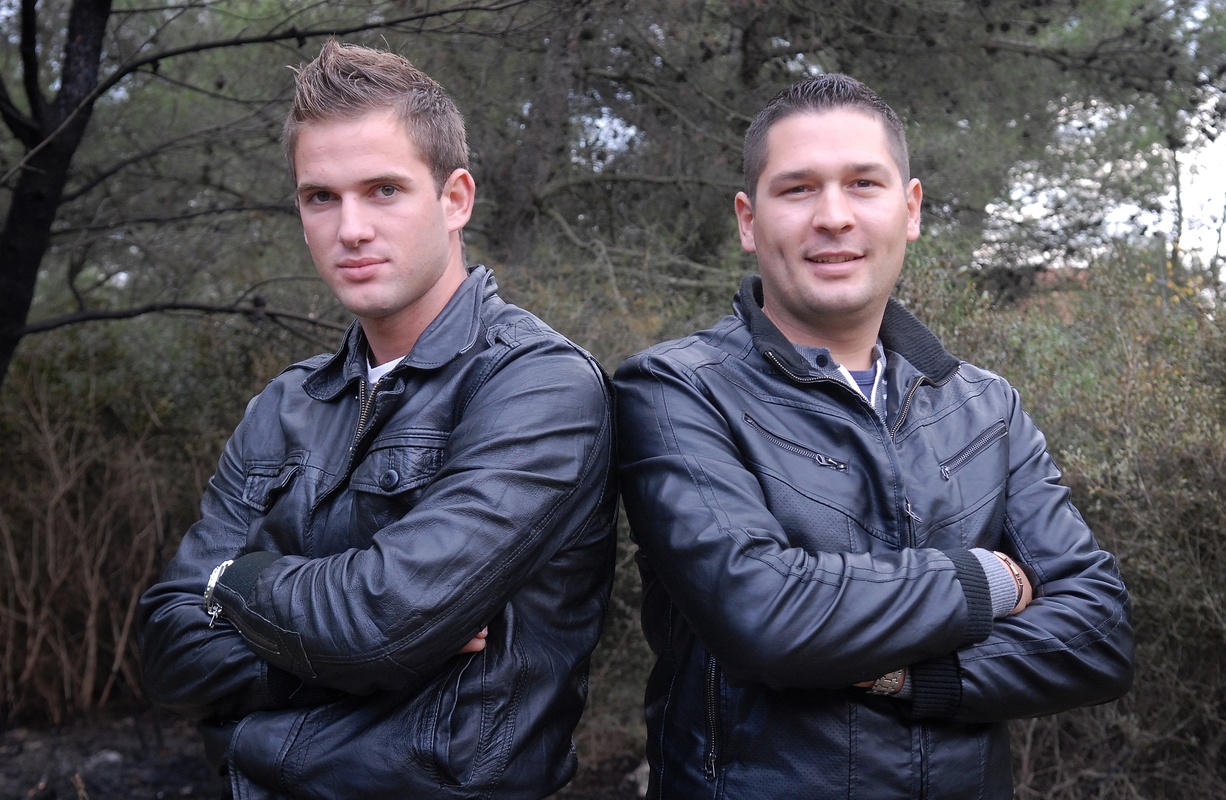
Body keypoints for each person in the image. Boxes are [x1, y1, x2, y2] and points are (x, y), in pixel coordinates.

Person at [614, 74, 1134, 798]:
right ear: (748, 221)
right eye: (798, 189)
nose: (833, 216)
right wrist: (986, 580)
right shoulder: (675, 390)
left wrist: (920, 677)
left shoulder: (985, 407)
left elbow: (1099, 633)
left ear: (910, 209)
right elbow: (762, 613)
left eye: (863, 184)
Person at [138, 40, 617, 799]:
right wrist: (347, 647)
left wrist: (233, 583)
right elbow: (168, 648)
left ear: (455, 199)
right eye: (320, 197)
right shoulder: (286, 403)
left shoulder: (538, 384)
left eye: (384, 190)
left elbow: (383, 623)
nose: (350, 228)